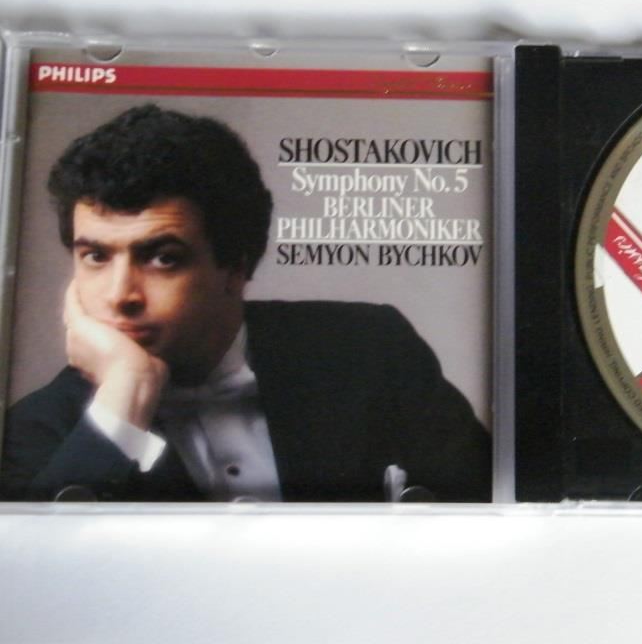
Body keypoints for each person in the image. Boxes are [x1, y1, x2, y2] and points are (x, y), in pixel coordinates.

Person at [0, 105, 491, 502]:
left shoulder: (373, 350)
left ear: (236, 265)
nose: (119, 295)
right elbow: (42, 574)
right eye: (95, 256)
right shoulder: (38, 427)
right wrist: (127, 392)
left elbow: (489, 510)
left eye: (163, 258)